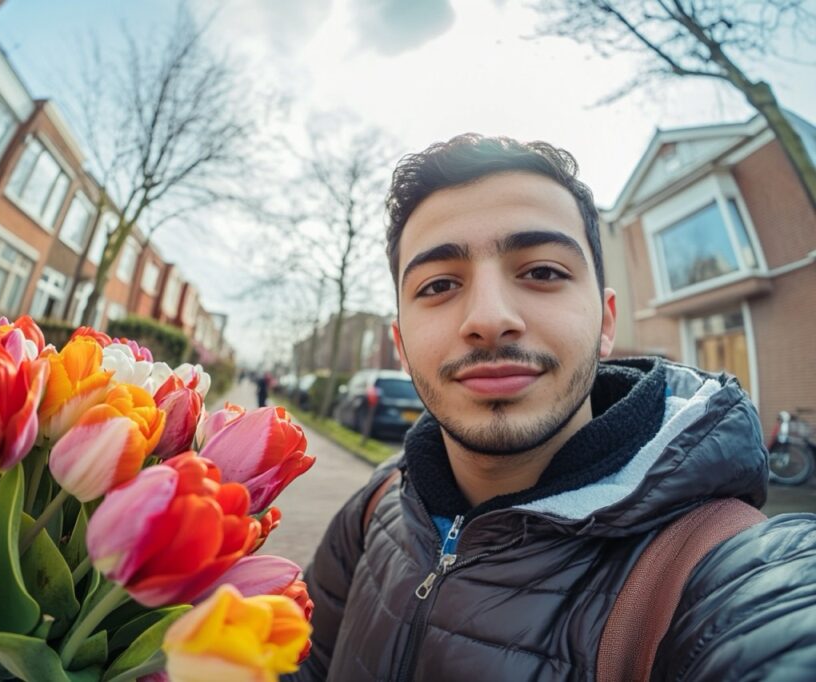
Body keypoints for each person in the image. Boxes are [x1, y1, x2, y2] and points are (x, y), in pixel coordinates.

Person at [292, 135, 816, 681]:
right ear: (400, 345)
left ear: (606, 322)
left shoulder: (727, 573)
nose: (491, 318)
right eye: (440, 284)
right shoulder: (375, 505)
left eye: (543, 272)